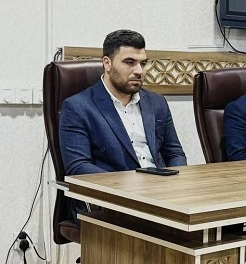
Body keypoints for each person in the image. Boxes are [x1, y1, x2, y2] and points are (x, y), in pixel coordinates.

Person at [60, 29, 187, 177]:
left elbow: (174, 153)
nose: (139, 71)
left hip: (161, 186)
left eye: (143, 63)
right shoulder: (78, 107)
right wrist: (127, 185)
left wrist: (175, 181)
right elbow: (78, 166)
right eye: (130, 62)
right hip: (113, 188)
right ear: (107, 63)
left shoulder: (157, 102)